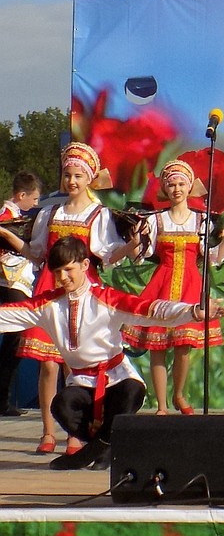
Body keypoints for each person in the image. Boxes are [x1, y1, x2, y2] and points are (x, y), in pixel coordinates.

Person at [0, 236, 224, 470]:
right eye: (57, 272)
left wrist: (193, 312)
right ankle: (104, 446)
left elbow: (149, 309)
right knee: (61, 405)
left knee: (132, 392)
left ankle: (94, 451)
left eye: (69, 270)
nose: (62, 278)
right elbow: (7, 314)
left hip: (116, 377)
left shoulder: (106, 299)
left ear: (85, 266)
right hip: (81, 381)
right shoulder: (47, 305)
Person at [0, 143, 132, 456]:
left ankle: (76, 434)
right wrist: (8, 236)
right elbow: (36, 253)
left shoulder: (98, 215)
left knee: (79, 366)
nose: (71, 181)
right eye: (67, 174)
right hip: (50, 290)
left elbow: (109, 255)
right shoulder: (50, 212)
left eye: (77, 175)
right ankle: (48, 431)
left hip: (83, 294)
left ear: (89, 178)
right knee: (48, 365)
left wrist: (133, 245)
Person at [122, 159, 224, 415]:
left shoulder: (202, 221)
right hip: (163, 282)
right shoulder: (157, 221)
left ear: (190, 188)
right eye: (172, 184)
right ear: (165, 189)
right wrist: (135, 240)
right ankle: (162, 404)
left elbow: (211, 257)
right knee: (157, 346)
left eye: (181, 184)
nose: (177, 189)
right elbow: (140, 255)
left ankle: (179, 395)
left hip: (191, 283)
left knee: (183, 345)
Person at [0, 171, 42, 417]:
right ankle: (2, 399)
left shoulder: (13, 216)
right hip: (10, 282)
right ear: (21, 195)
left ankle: (3, 398)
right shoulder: (7, 217)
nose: (35, 204)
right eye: (34, 199)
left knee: (15, 340)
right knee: (16, 339)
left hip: (13, 282)